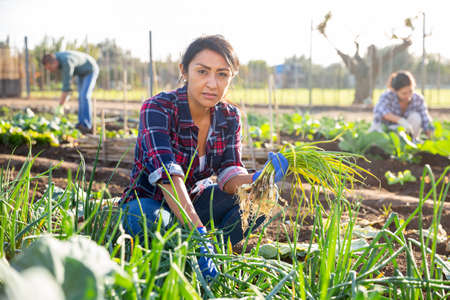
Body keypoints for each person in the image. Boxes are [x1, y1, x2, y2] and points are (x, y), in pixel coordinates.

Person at [120, 35, 288, 281]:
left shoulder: (229, 116)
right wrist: (198, 231)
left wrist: (257, 178)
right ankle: (194, 244)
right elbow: (167, 175)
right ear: (184, 71)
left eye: (222, 74)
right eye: (202, 72)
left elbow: (229, 172)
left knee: (260, 200)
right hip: (150, 202)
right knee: (150, 220)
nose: (212, 83)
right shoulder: (158, 108)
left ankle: (211, 251)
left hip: (195, 202)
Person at [42, 51, 99, 134]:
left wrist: (60, 106)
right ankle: (81, 123)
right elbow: (68, 89)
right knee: (80, 97)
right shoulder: (54, 57)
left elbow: (66, 88)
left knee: (85, 96)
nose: (50, 71)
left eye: (50, 68)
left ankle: (87, 125)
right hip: (81, 73)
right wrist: (65, 99)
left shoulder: (66, 62)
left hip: (90, 69)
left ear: (55, 62)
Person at [370, 71, 434, 141]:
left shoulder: (418, 99)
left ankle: (412, 141)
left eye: (410, 91)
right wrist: (401, 120)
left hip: (407, 133)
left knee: (416, 117)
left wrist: (431, 136)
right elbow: (382, 112)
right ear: (395, 91)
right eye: (404, 93)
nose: (408, 96)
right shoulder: (387, 96)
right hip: (387, 129)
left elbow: (426, 120)